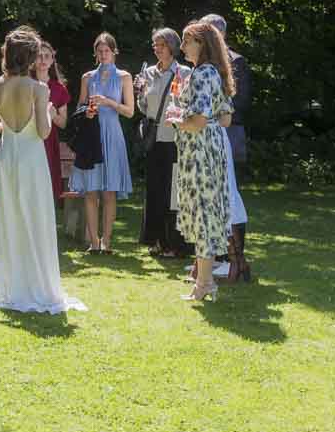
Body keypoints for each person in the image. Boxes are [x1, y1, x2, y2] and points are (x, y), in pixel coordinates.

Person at [0, 28, 86, 314]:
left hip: (6, 154)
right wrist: (49, 114)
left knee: (10, 216)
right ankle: (39, 285)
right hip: (30, 155)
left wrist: (9, 128)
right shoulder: (38, 89)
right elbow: (42, 131)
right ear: (28, 57)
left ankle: (13, 287)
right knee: (36, 216)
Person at [168, 20, 235, 303]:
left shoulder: (202, 74)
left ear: (202, 44)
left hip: (199, 154)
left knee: (202, 214)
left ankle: (205, 283)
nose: (182, 46)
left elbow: (197, 121)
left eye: (186, 41)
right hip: (211, 149)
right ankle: (204, 282)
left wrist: (176, 118)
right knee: (204, 212)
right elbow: (225, 118)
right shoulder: (213, 72)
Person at [67, 32, 135, 253]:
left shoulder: (124, 77)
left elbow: (130, 111)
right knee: (91, 190)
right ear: (95, 53)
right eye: (100, 51)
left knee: (109, 191)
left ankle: (107, 241)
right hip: (92, 135)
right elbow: (78, 108)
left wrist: (109, 102)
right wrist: (86, 111)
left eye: (107, 51)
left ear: (114, 52)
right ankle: (93, 242)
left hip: (112, 135)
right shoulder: (88, 77)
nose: (104, 54)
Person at [200, 12, 253, 282]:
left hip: (227, 134)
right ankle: (218, 258)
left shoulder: (235, 62)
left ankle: (237, 259)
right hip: (206, 135)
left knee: (230, 198)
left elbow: (239, 103)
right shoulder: (204, 65)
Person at [136, 28, 187, 258]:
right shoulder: (148, 73)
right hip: (154, 140)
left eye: (161, 45)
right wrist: (139, 94)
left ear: (172, 47)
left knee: (172, 192)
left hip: (175, 140)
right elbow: (144, 108)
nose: (156, 48)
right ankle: (156, 241)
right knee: (154, 191)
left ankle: (173, 243)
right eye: (155, 44)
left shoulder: (184, 73)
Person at [33, 40, 69, 210]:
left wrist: (53, 114)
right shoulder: (26, 84)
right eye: (39, 56)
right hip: (29, 139)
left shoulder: (59, 89)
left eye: (47, 56)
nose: (42, 59)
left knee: (47, 182)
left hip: (48, 141)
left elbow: (63, 123)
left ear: (52, 59)